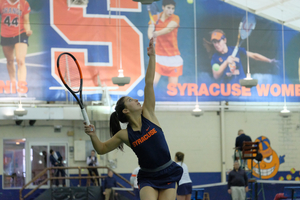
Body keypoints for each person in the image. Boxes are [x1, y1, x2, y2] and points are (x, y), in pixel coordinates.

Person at [84, 38, 183, 200]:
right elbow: (101, 149)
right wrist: (93, 135)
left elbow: (149, 83)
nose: (136, 100)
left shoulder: (148, 113)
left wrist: (152, 56)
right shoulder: (125, 134)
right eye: (131, 100)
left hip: (168, 173)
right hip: (148, 177)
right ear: (125, 110)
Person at [204, 29, 277, 84]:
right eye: (214, 42)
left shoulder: (236, 50)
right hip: (228, 91)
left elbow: (254, 55)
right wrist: (226, 62)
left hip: (242, 88)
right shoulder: (215, 57)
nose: (216, 44)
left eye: (218, 41)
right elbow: (216, 76)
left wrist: (269, 60)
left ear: (224, 40)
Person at [147, 0, 183, 86]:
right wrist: (151, 37)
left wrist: (157, 33)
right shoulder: (155, 18)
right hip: (158, 56)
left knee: (172, 88)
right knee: (151, 85)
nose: (171, 11)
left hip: (173, 57)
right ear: (163, 7)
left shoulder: (175, 18)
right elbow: (149, 32)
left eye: (172, 8)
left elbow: (169, 28)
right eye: (168, 8)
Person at [0, 0, 33, 86]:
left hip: (20, 33)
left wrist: (28, 30)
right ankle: (13, 82)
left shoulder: (24, 3)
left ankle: (21, 85)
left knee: (21, 60)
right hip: (6, 34)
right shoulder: (2, 2)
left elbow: (26, 21)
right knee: (10, 61)